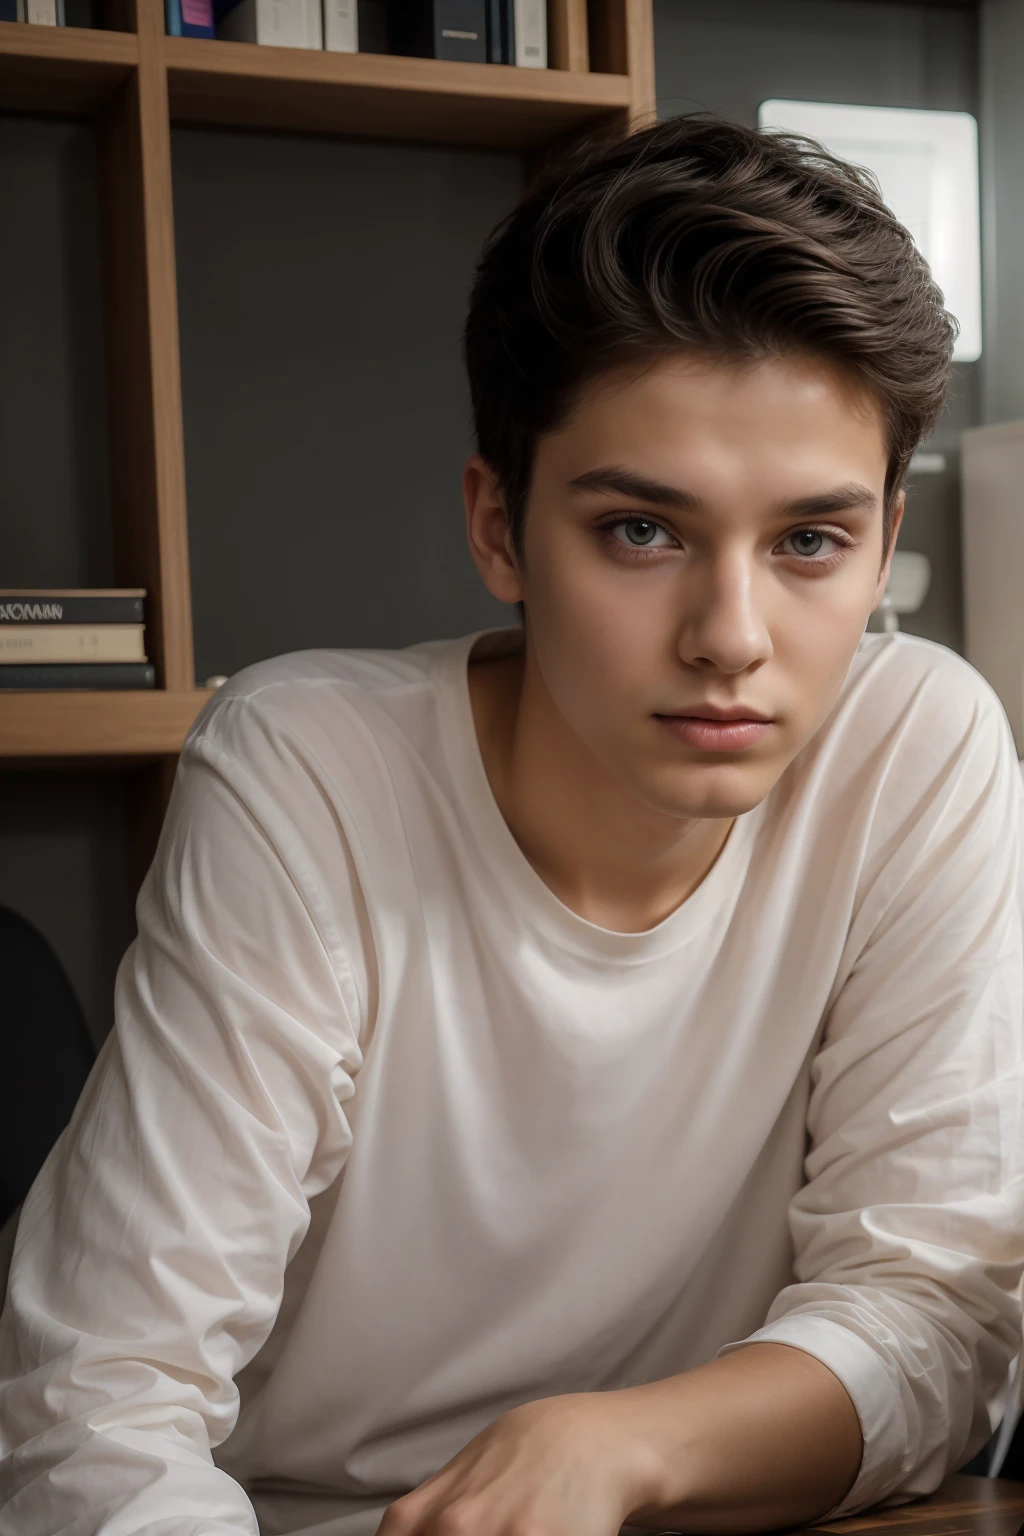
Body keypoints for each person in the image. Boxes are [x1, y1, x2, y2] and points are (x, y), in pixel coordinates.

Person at [1, 111, 1022, 1536]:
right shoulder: (312, 772)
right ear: (499, 528)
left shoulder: (919, 744)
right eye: (642, 531)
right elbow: (95, 1411)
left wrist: (619, 1448)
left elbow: (938, 1319)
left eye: (808, 541)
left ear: (882, 545)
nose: (733, 638)